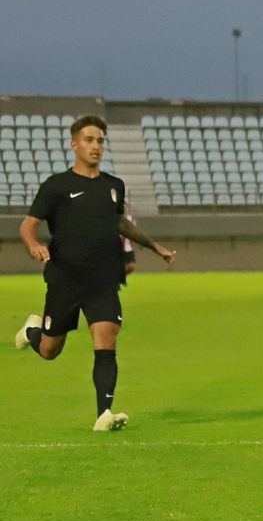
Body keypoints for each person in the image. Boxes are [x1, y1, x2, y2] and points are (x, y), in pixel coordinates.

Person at [13, 115, 176, 431]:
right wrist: (33, 245)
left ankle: (104, 413)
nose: (96, 146)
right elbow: (27, 227)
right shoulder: (56, 186)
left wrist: (156, 247)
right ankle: (31, 331)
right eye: (89, 140)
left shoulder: (114, 186)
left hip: (103, 279)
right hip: (65, 278)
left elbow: (120, 223)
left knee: (106, 338)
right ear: (74, 144)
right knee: (49, 350)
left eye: (100, 140)